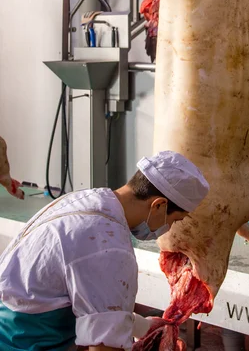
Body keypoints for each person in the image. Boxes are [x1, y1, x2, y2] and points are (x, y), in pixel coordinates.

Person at [0, 150, 209, 350]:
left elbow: (74, 296)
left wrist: (142, 327)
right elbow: (104, 347)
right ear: (159, 205)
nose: (169, 229)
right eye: (174, 220)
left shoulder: (82, 201)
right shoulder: (111, 247)